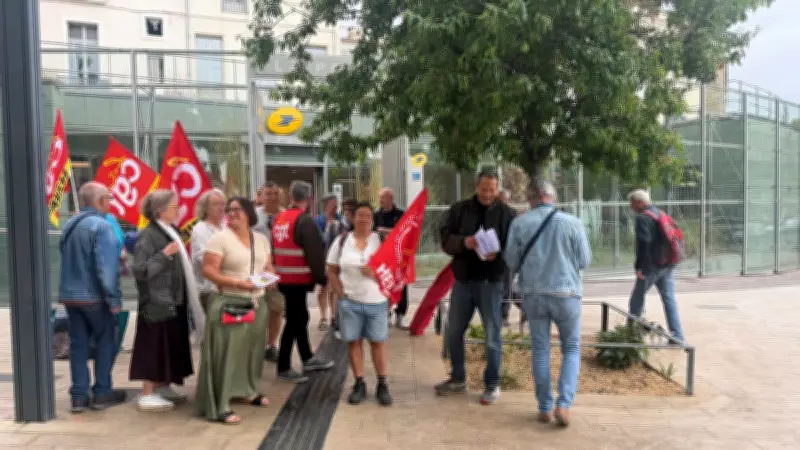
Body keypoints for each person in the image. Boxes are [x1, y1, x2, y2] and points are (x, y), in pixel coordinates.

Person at [504, 179, 591, 427]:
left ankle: (544, 406)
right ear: (553, 197)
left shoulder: (519, 223)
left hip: (533, 294)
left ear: (531, 198)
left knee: (541, 349)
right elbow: (584, 260)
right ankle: (563, 405)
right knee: (571, 349)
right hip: (567, 294)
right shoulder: (573, 223)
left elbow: (511, 260)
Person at [435, 169, 516, 405]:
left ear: (497, 188)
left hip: (491, 282)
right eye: (484, 190)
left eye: (492, 190)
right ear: (476, 187)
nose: (488, 194)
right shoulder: (459, 210)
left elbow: (514, 249)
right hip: (463, 281)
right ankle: (458, 378)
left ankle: (492, 384)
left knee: (493, 336)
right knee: (454, 331)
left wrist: (498, 256)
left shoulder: (507, 214)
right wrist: (464, 242)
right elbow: (445, 239)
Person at [195, 197, 275, 425]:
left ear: (249, 213)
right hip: (230, 302)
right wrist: (238, 283)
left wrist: (270, 279)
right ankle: (220, 403)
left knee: (251, 351)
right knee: (227, 354)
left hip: (257, 302)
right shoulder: (220, 239)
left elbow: (268, 267)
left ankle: (248, 390)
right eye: (229, 210)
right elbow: (209, 271)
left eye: (238, 209)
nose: (232, 213)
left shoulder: (260, 239)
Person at [130, 189, 203, 412]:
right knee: (154, 346)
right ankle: (147, 392)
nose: (179, 209)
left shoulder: (172, 231)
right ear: (161, 210)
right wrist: (164, 255)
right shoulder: (148, 235)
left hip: (174, 299)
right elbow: (140, 270)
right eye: (174, 206)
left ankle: (164, 385)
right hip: (156, 302)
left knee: (170, 345)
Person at [59, 182, 126, 413]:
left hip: (70, 296)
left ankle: (78, 395)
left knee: (78, 345)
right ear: (99, 201)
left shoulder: (70, 224)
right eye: (108, 198)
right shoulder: (102, 226)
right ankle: (102, 392)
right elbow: (106, 268)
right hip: (95, 297)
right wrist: (114, 300)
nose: (110, 203)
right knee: (106, 342)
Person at [327, 201, 393, 406]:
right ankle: (359, 382)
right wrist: (340, 293)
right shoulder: (341, 241)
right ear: (352, 218)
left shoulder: (381, 240)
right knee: (354, 342)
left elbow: (395, 269)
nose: (364, 219)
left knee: (377, 343)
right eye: (360, 215)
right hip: (350, 303)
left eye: (367, 216)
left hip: (376, 302)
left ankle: (382, 384)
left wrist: (376, 272)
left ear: (372, 220)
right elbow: (331, 269)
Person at [272, 180, 335, 383]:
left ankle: (307, 357)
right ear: (308, 199)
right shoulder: (304, 221)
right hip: (297, 280)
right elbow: (314, 254)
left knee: (299, 318)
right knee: (294, 321)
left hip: (283, 278)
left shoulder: (280, 218)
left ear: (291, 196)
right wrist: (323, 279)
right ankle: (284, 366)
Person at [627, 189, 686, 343]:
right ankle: (678, 336)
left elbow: (644, 243)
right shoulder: (659, 213)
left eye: (632, 203)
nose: (630, 206)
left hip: (651, 267)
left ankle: (630, 337)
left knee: (636, 300)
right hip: (667, 264)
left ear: (640, 203)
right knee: (669, 299)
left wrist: (639, 267)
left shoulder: (642, 218)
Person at [253, 181, 286, 362]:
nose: (272, 197)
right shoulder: (253, 217)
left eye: (275, 193)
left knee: (276, 309)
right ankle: (257, 345)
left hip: (278, 271)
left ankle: (272, 345)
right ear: (261, 196)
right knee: (257, 308)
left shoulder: (286, 215)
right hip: (258, 270)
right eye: (268, 194)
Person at [373, 187, 409, 329]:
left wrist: (385, 231)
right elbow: (372, 232)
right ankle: (386, 313)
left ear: (390, 199)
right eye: (379, 197)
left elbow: (405, 231)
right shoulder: (376, 214)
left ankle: (400, 315)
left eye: (383, 197)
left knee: (401, 284)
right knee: (384, 283)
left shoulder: (401, 213)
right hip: (382, 255)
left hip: (399, 255)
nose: (380, 200)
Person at [191, 189, 227, 312]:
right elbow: (206, 259)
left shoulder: (226, 226)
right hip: (210, 290)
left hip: (229, 287)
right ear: (205, 208)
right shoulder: (200, 229)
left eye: (223, 204)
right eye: (216, 204)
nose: (221, 207)